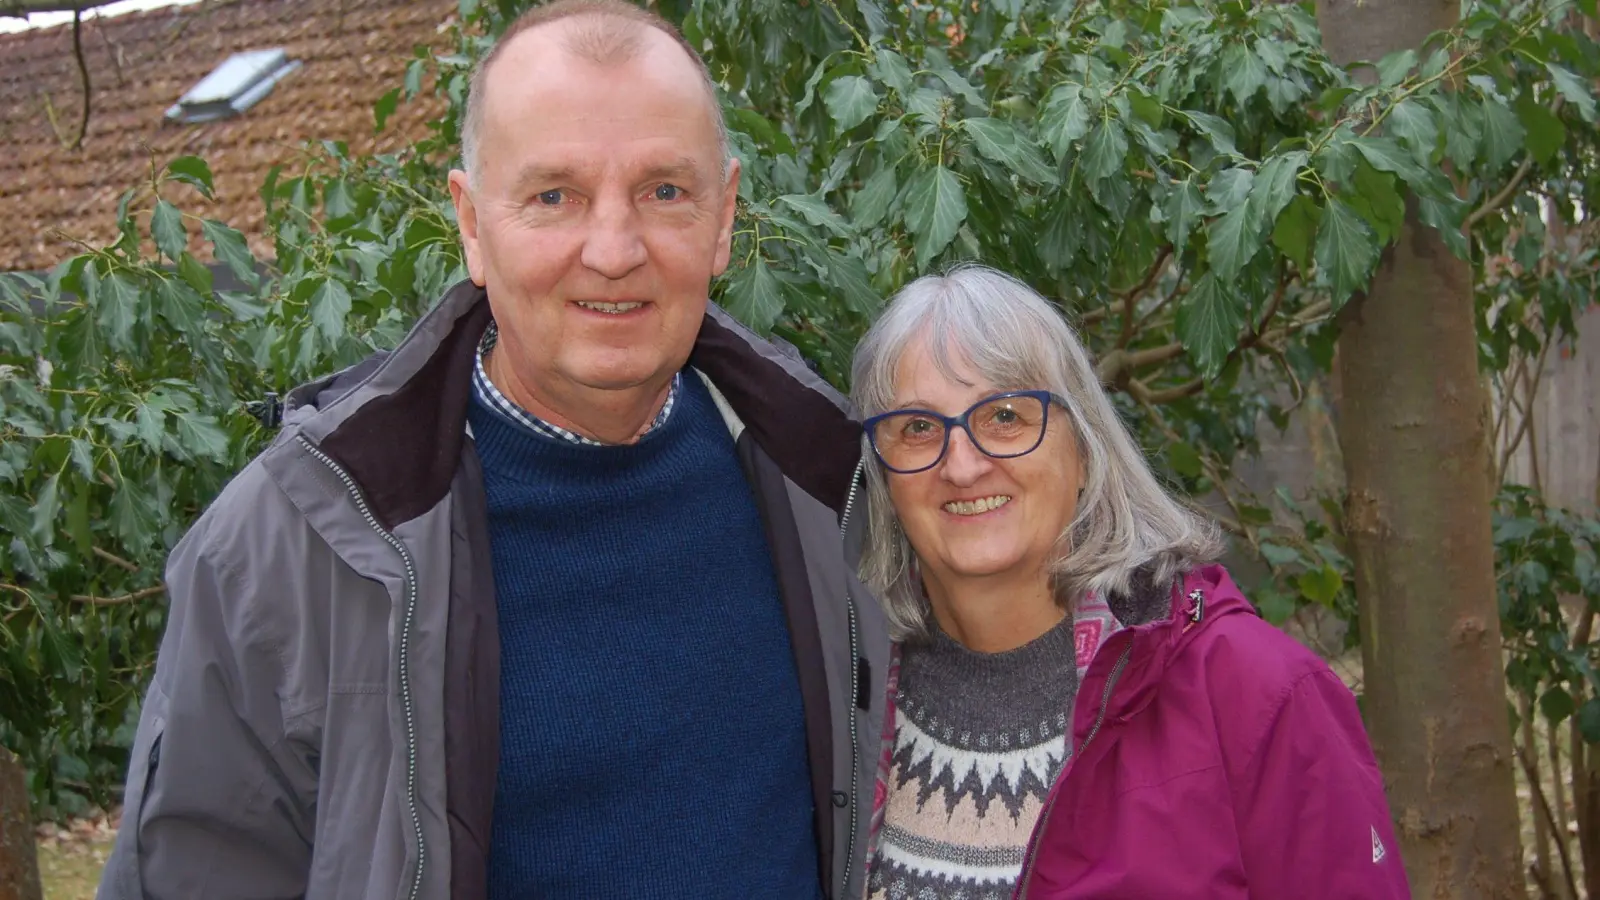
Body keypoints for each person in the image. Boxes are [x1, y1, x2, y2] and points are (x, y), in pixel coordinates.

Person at [96, 2, 889, 898]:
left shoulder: (837, 486)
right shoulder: (292, 547)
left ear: (724, 217)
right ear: (472, 225)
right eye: (555, 196)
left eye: (665, 192)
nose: (614, 249)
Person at [848, 265, 1409, 900]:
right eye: (918, 428)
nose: (964, 464)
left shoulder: (1256, 695)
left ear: (1084, 451)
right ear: (882, 478)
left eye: (1005, 415)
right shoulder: (845, 700)